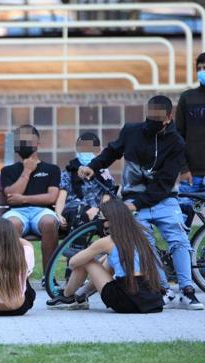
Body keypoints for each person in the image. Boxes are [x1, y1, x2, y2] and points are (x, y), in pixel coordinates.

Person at [79, 95, 204, 310]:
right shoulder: (131, 131)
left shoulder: (176, 143)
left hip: (163, 200)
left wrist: (135, 205)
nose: (152, 121)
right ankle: (163, 289)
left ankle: (187, 289)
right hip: (133, 200)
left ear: (169, 118)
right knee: (143, 241)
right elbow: (112, 151)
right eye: (150, 116)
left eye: (158, 118)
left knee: (178, 238)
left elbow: (163, 185)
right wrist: (94, 165)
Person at [47, 199, 164, 313]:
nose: (100, 221)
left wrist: (85, 256)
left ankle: (68, 297)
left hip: (127, 301)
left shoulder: (108, 241)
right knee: (108, 260)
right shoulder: (139, 236)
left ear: (111, 220)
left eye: (102, 218)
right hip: (152, 299)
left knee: (86, 261)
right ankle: (82, 295)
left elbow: (73, 262)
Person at [0, 124, 60, 283]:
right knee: (11, 225)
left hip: (42, 212)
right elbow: (12, 193)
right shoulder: (8, 171)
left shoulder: (52, 169)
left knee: (50, 222)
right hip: (17, 213)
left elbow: (51, 197)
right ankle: (16, 277)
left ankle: (48, 276)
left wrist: (24, 199)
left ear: (38, 144)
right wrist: (27, 171)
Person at [55, 132, 115, 238]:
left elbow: (107, 195)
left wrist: (100, 210)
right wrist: (58, 215)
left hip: (97, 211)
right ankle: (78, 250)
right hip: (73, 210)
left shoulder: (103, 172)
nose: (86, 153)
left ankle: (107, 251)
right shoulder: (69, 171)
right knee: (84, 213)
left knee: (108, 218)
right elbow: (62, 196)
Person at [175, 52, 205, 228]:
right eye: (199, 68)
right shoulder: (187, 98)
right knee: (181, 225)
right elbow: (178, 136)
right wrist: (183, 168)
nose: (201, 71)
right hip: (191, 176)